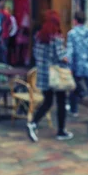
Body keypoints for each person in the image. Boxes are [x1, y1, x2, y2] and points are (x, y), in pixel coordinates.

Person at [26, 10, 73, 142]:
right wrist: (69, 54)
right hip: (56, 76)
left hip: (43, 75)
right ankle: (61, 131)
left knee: (47, 102)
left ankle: (33, 122)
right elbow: (61, 57)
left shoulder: (39, 36)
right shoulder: (56, 38)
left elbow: (36, 54)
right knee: (61, 102)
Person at [66, 11, 88, 117]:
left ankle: (74, 110)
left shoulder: (72, 33)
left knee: (74, 87)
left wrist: (69, 66)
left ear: (75, 20)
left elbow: (70, 51)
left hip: (76, 65)